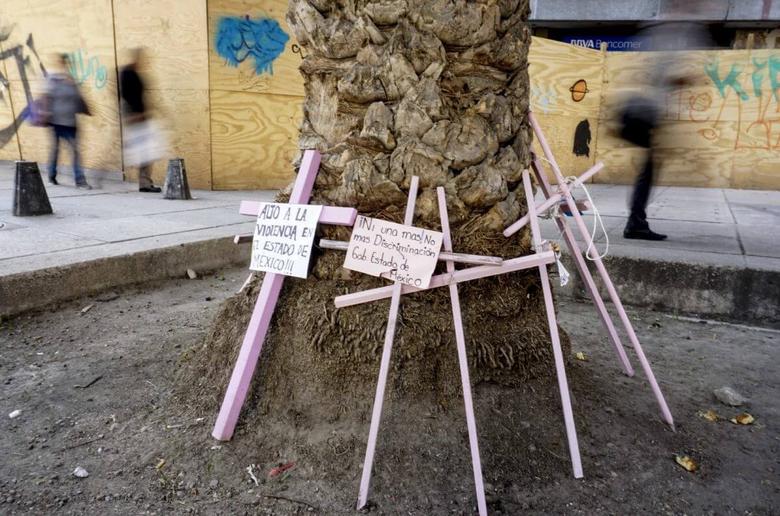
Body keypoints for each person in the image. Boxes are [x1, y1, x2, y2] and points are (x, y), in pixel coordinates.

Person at [620, 22, 711, 241]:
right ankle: (635, 223)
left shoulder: (661, 37)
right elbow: (660, 77)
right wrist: (684, 79)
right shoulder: (667, 39)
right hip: (642, 116)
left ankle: (636, 222)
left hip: (642, 115)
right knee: (647, 172)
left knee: (648, 171)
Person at [44, 53, 91, 189]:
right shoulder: (53, 79)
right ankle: (52, 175)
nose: (65, 65)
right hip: (57, 121)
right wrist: (46, 115)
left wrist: (86, 109)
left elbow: (78, 99)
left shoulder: (72, 81)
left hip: (71, 122)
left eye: (67, 63)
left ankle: (80, 180)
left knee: (75, 151)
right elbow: (47, 98)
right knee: (56, 150)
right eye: (63, 62)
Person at [120, 48, 161, 193]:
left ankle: (144, 182)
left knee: (145, 150)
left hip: (140, 116)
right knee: (146, 150)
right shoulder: (127, 73)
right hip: (136, 117)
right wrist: (133, 114)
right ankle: (144, 183)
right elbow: (125, 95)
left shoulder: (133, 73)